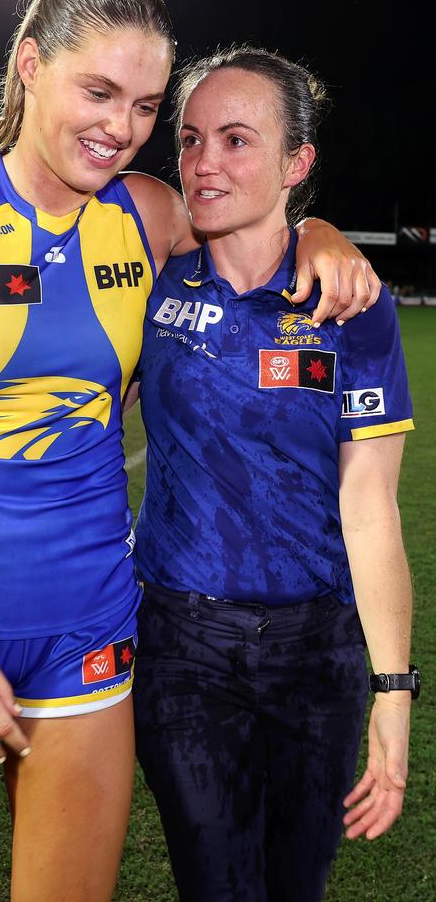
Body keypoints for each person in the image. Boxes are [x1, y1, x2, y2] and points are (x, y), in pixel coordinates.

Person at [0, 0, 378, 902]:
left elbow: (256, 225)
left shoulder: (147, 214)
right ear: (31, 67)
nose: (121, 126)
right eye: (98, 93)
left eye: (146, 105)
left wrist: (320, 230)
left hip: (87, 620)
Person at [130, 46, 417, 901]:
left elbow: (370, 511)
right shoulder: (152, 282)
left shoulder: (352, 308)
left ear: (298, 162)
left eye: (236, 140)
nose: (204, 163)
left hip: (316, 656)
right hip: (183, 649)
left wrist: (393, 693)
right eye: (190, 140)